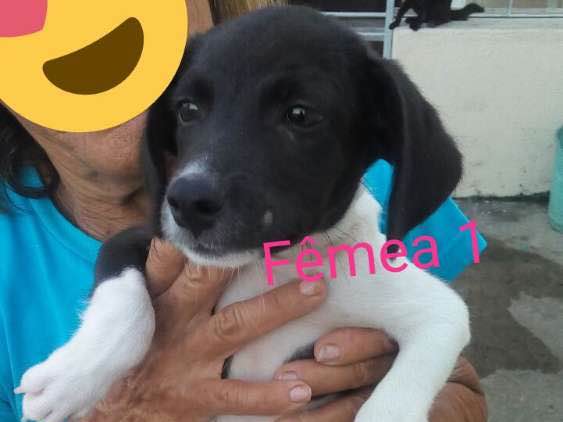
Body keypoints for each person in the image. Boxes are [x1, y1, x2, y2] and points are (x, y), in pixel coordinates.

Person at [0, 0, 487, 420]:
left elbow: (454, 365)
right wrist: (120, 384)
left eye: (298, 116)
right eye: (190, 111)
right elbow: (129, 253)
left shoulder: (368, 200)